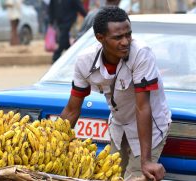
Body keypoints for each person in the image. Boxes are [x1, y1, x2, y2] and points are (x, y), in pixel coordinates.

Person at [60, 7, 171, 181]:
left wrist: (146, 161)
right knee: (110, 175)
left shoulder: (141, 53)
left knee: (137, 176)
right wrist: (54, 143)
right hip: (119, 125)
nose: (126, 42)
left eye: (128, 34)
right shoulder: (85, 61)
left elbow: (142, 107)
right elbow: (72, 109)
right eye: (118, 37)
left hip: (149, 125)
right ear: (100, 38)